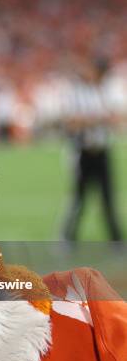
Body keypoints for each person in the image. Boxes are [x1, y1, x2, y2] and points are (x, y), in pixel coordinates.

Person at [62, 56, 124, 241]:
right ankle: (67, 238)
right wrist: (97, 119)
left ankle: (117, 240)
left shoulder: (106, 91)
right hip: (84, 151)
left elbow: (117, 118)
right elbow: (72, 122)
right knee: (79, 199)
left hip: (102, 150)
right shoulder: (77, 92)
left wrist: (94, 119)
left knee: (108, 198)